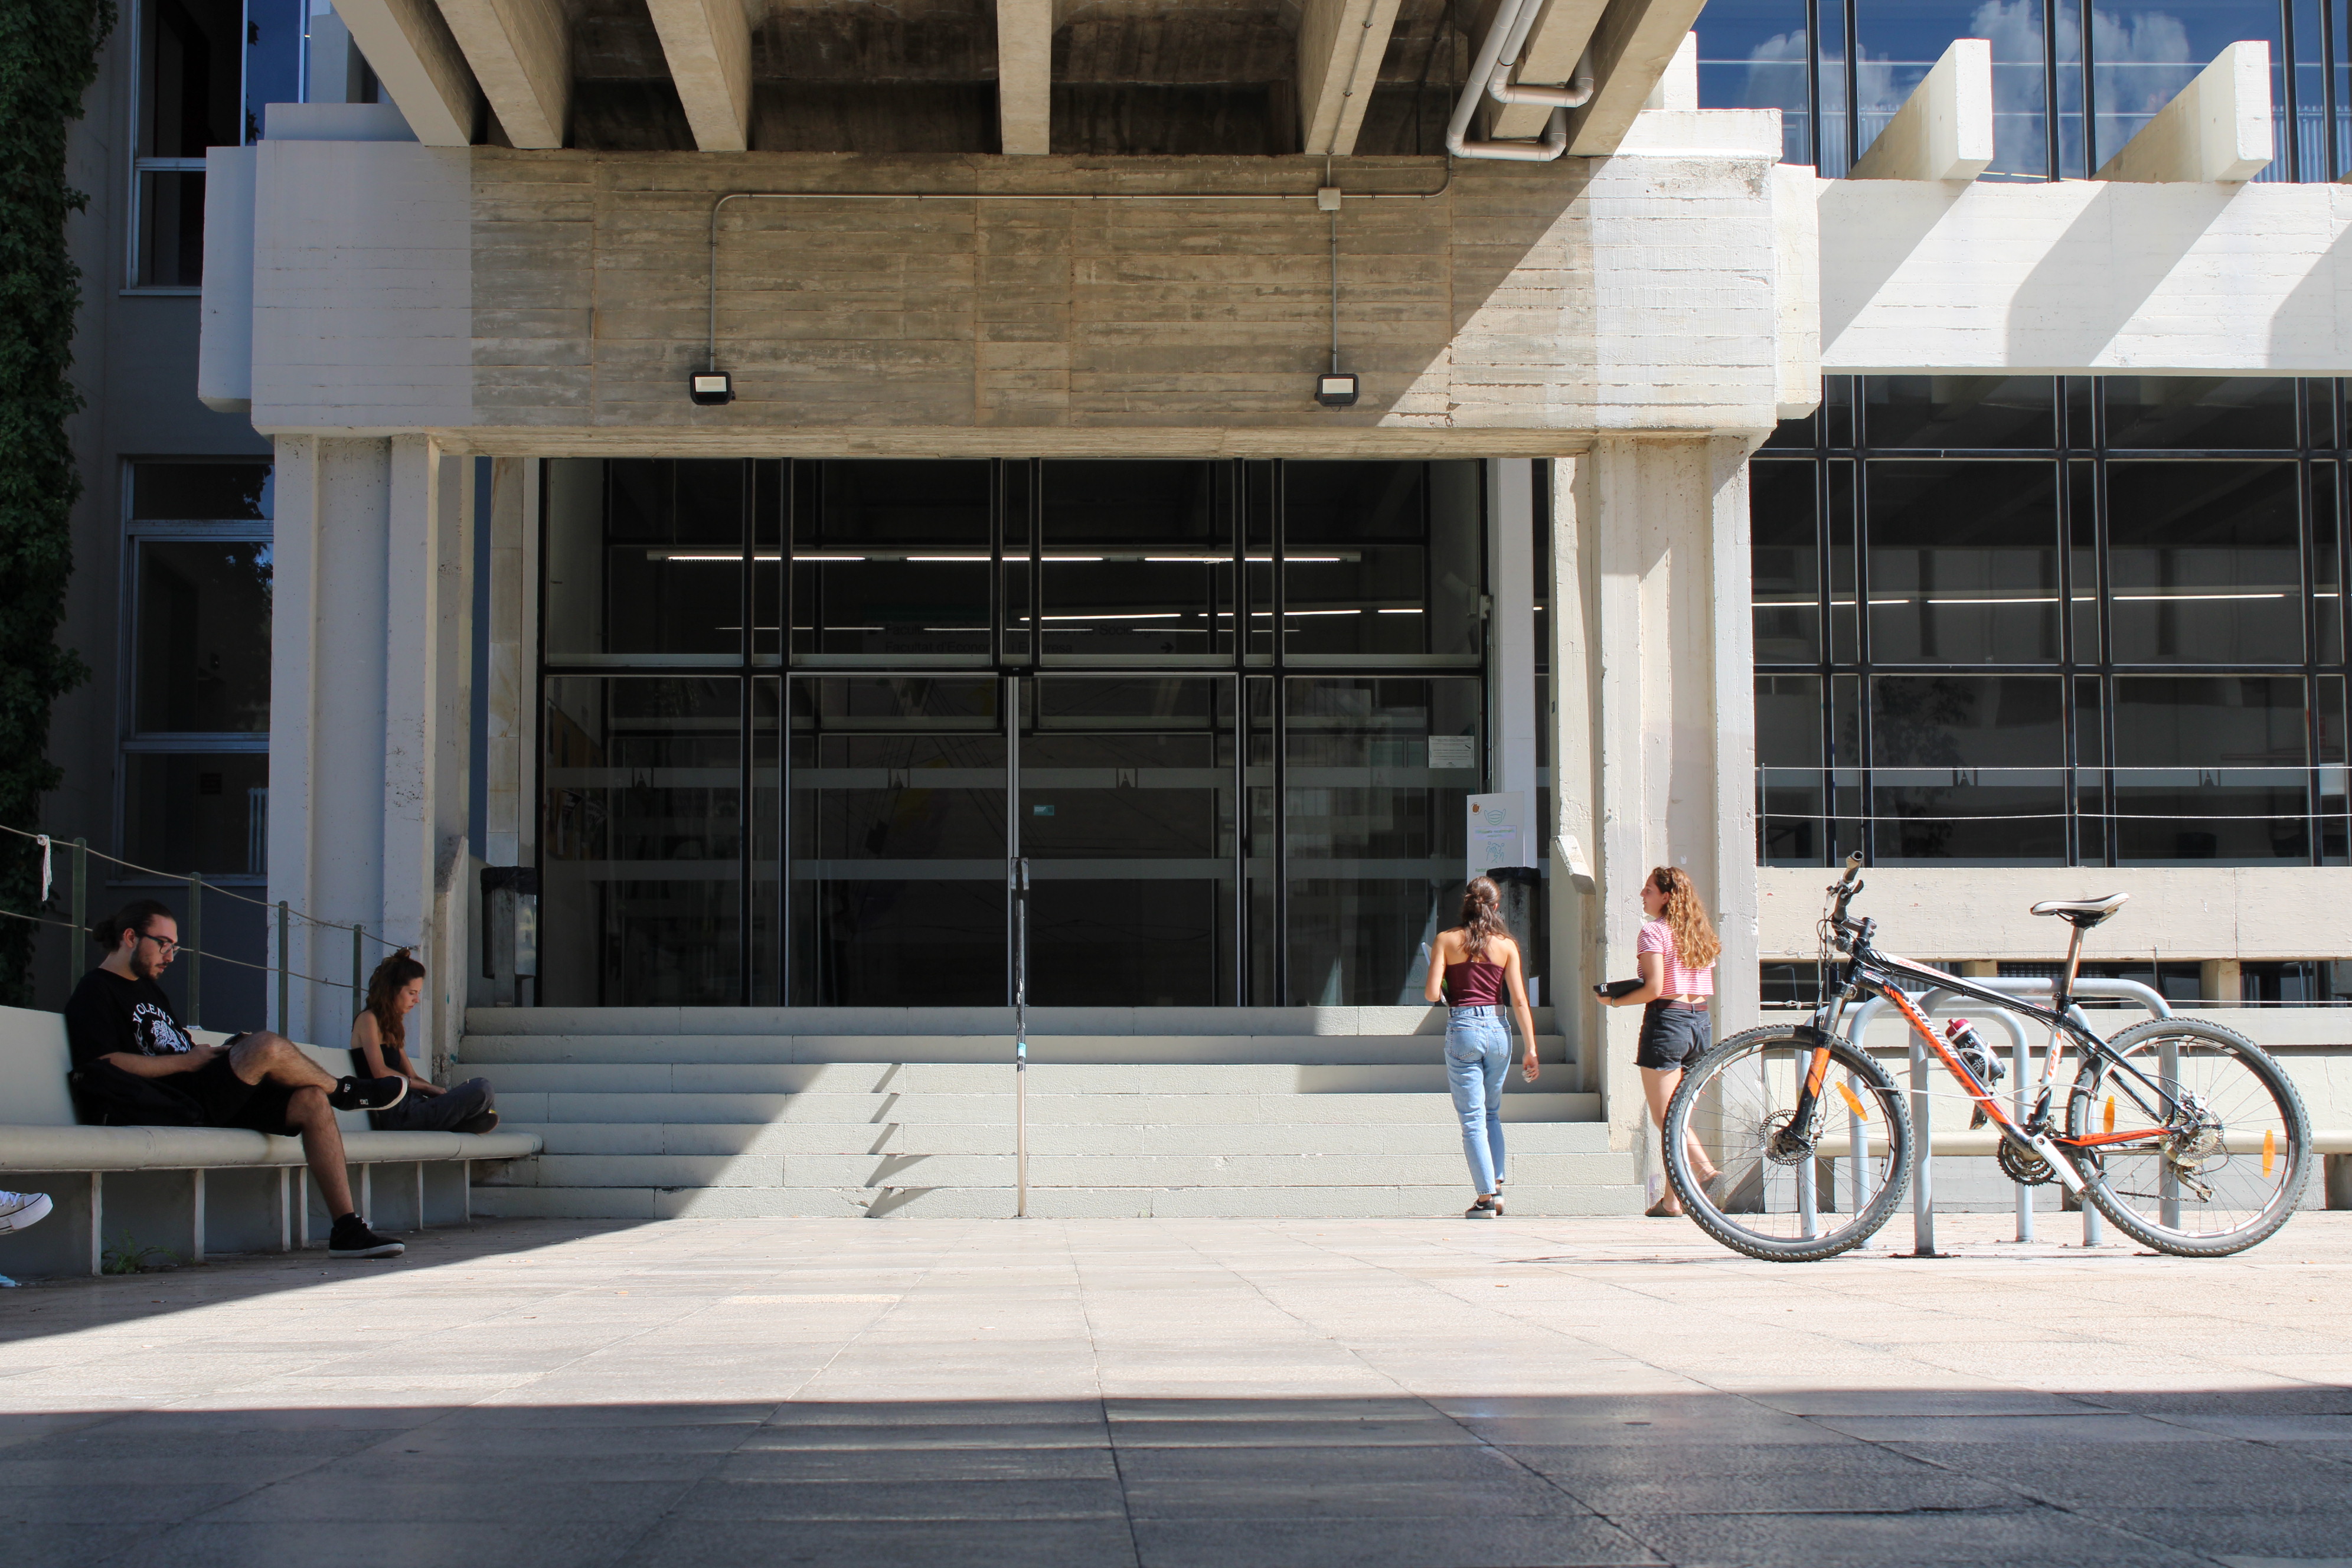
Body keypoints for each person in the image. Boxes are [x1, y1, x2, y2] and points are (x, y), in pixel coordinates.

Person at [63, 899, 413, 1259]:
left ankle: (347, 1229)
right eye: (163, 944)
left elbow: (171, 1047)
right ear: (130, 937)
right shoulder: (96, 990)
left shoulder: (149, 988)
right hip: (172, 1103)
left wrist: (217, 1052)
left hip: (201, 1090)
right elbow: (103, 1062)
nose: (169, 956)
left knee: (310, 1099)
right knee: (266, 1045)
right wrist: (188, 1062)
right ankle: (346, 1091)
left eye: (175, 947)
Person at [1601, 866, 1724, 1218]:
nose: (1643, 895)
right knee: (1682, 1116)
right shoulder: (1699, 933)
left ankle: (1706, 1172)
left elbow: (1654, 988)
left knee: (1666, 1117)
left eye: (1649, 890)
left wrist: (1613, 1000)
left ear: (1666, 896)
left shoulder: (1654, 932)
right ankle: (1673, 1202)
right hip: (1700, 1022)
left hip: (1667, 1021)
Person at [1422, 876, 1540, 1219]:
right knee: (1491, 1113)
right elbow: (1519, 999)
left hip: (1463, 1027)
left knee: (1472, 1118)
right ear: (1497, 906)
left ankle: (1486, 1197)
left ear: (1466, 903)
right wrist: (1531, 1048)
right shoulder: (1506, 946)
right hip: (1499, 1028)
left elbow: (1431, 995)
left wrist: (1444, 979)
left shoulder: (1446, 940)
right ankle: (1497, 1187)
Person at [350, 949, 498, 1134]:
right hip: (398, 1114)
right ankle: (458, 1121)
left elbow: (411, 1075)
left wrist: (440, 1092)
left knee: (475, 1088)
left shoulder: (392, 1026)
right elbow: (381, 1073)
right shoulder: (368, 1020)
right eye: (412, 993)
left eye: (418, 993)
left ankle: (458, 1120)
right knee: (482, 1087)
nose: (417, 1000)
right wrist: (429, 1088)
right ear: (392, 990)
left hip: (415, 1104)